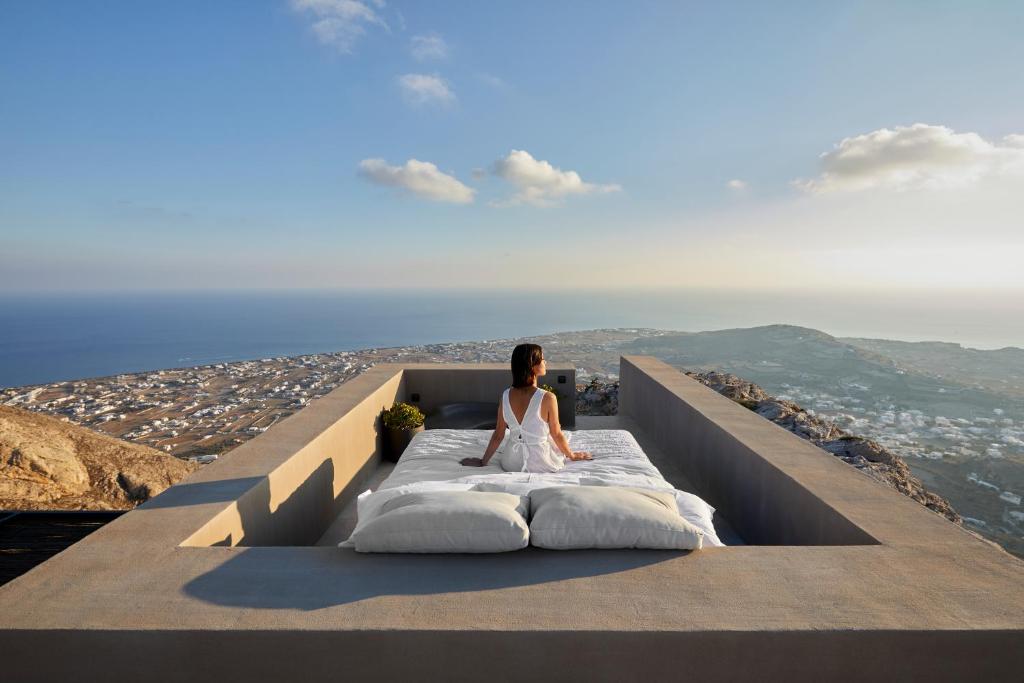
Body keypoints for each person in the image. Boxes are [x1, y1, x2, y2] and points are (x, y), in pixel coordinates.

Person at [460, 343, 592, 471]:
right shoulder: (548, 397)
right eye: (542, 359)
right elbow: (556, 434)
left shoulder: (505, 396)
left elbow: (498, 434)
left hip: (511, 462)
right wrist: (573, 456)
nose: (545, 362)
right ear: (532, 366)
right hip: (540, 462)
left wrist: (483, 461)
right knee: (554, 443)